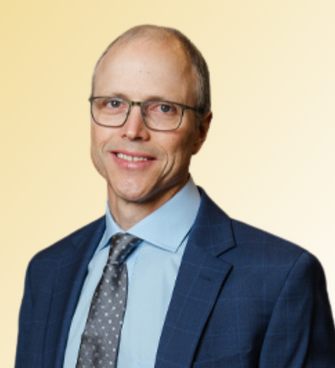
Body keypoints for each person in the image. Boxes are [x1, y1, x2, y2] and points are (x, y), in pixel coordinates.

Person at [15, 25, 335, 368]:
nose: (132, 130)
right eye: (113, 103)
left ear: (201, 130)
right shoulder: (47, 272)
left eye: (163, 108)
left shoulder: (279, 279)